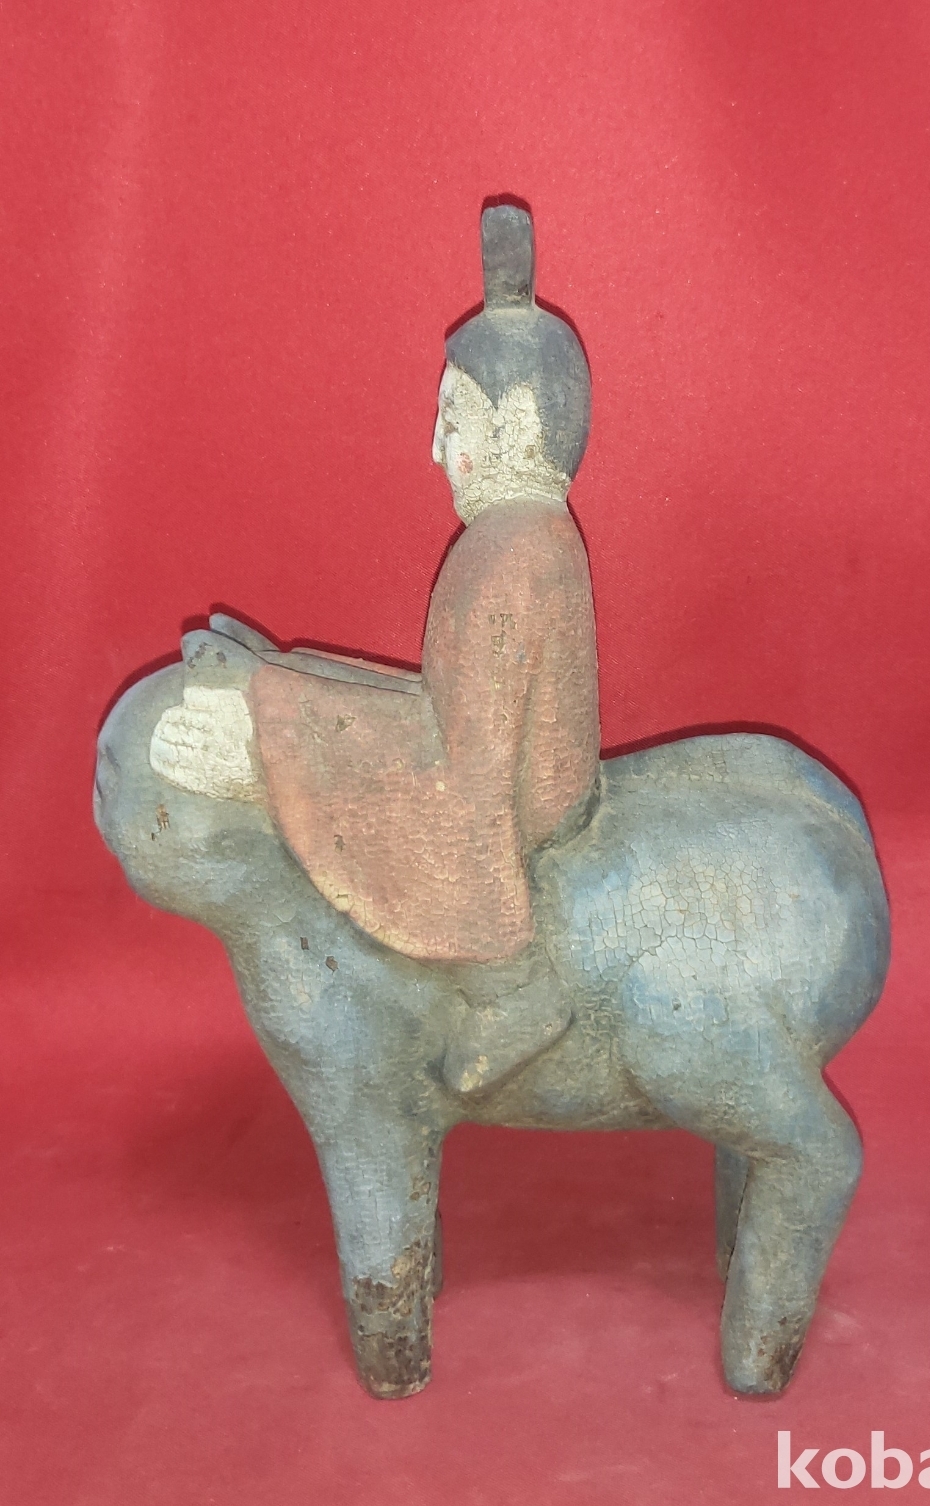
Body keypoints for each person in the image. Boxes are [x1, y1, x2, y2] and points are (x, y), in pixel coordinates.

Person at [150, 205, 601, 1094]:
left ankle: (512, 990)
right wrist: (289, 680)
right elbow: (441, 707)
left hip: (518, 798)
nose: (434, 448)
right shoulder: (516, 539)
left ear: (515, 424)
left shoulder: (508, 556)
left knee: (303, 720)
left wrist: (272, 727)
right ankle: (275, 681)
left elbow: (466, 778)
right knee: (297, 690)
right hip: (501, 760)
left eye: (452, 418)